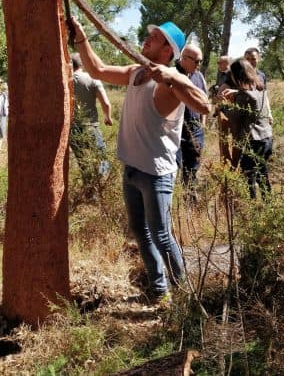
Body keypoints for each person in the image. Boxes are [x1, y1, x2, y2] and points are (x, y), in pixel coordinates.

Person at [71, 17, 210, 300]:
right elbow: (96, 69)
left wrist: (172, 77)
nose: (147, 39)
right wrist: (82, 38)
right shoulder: (136, 72)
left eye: (155, 37)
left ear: (168, 51)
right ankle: (159, 290)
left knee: (161, 234)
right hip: (132, 169)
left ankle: (184, 296)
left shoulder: (172, 81)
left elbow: (204, 106)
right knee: (139, 230)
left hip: (156, 175)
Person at [222, 58, 273, 199]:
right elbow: (248, 94)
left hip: (254, 142)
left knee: (248, 174)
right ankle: (268, 202)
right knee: (263, 172)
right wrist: (236, 93)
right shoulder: (260, 88)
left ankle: (251, 205)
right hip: (267, 138)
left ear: (238, 75)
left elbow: (234, 117)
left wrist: (223, 107)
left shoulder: (244, 95)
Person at [70, 52, 113, 182]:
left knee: (83, 163)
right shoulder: (92, 79)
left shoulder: (66, 81)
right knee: (103, 158)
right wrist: (107, 117)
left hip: (73, 129)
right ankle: (99, 183)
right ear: (82, 63)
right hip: (91, 127)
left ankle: (90, 192)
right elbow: (106, 103)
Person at [174, 43, 207, 200]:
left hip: (196, 130)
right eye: (197, 61)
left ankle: (190, 201)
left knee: (192, 169)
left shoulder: (199, 76)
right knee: (174, 168)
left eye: (200, 61)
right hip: (175, 131)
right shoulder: (171, 75)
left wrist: (203, 124)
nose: (199, 65)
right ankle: (171, 205)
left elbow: (205, 102)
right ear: (184, 58)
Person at [244, 47, 273, 125]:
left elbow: (264, 95)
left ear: (258, 59)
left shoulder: (261, 75)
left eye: (253, 59)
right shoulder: (238, 76)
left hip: (260, 115)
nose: (250, 61)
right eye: (247, 59)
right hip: (243, 116)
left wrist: (269, 113)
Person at [0, 82, 9, 151]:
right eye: (4, 88)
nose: (5, 90)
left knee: (3, 132)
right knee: (0, 131)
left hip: (4, 115)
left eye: (6, 89)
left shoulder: (7, 96)